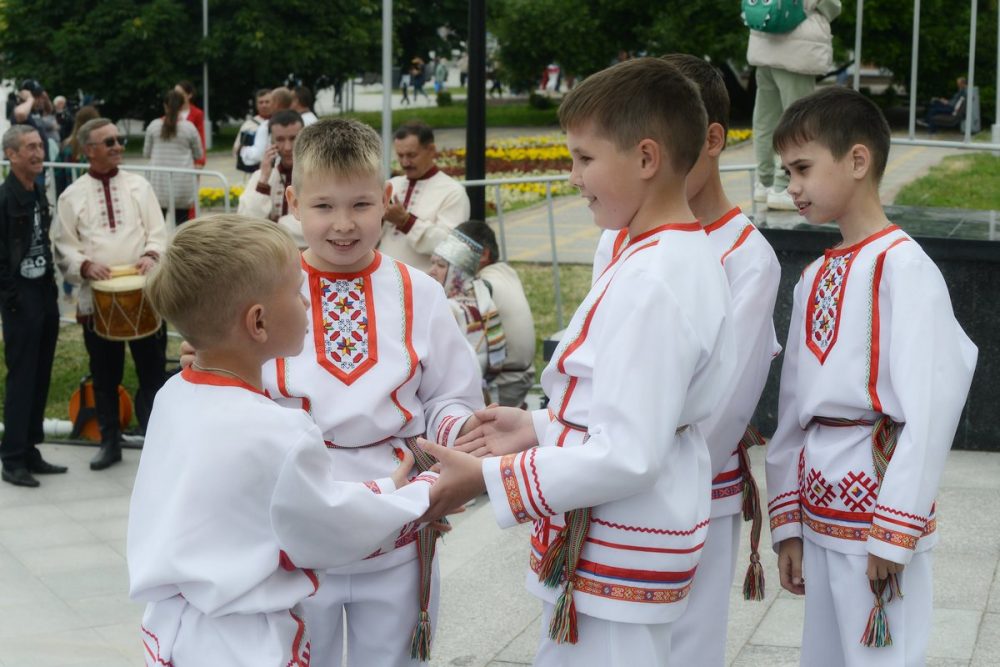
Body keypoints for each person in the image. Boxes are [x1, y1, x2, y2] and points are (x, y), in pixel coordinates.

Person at [423, 57, 736, 666]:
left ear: (646, 159)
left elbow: (629, 451)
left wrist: (489, 479)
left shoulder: (656, 278)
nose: (572, 177)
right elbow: (628, 405)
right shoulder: (658, 254)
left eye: (585, 159)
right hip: (617, 535)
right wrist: (536, 427)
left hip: (622, 537)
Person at [128, 214, 442, 666]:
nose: (309, 303)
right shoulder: (279, 430)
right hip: (246, 644)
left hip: (174, 634)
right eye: (297, 292)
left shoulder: (173, 395)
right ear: (258, 323)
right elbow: (326, 528)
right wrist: (414, 493)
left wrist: (386, 489)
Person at [254, 118, 483, 666]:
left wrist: (453, 446)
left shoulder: (420, 293)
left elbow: (453, 394)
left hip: (398, 527)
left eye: (360, 205)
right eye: (323, 206)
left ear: (385, 200)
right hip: (298, 529)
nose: (342, 225)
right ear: (293, 201)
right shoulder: (264, 294)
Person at [765, 87, 977, 665]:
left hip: (878, 494)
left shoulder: (906, 267)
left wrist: (896, 525)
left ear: (858, 161)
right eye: (787, 172)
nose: (793, 187)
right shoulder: (813, 276)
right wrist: (786, 522)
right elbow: (791, 411)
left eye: (803, 168)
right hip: (820, 498)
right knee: (825, 653)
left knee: (881, 656)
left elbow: (933, 405)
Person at [590, 53, 782, 667]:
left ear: (711, 138)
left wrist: (640, 462)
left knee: (686, 647)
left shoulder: (748, 256)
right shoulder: (616, 234)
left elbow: (724, 411)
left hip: (688, 486)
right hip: (604, 472)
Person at [53, 118, 168, 471]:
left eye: (118, 140)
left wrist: (151, 254)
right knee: (105, 375)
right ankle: (109, 442)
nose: (119, 145)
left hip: (143, 294)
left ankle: (158, 441)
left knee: (152, 374)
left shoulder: (139, 186)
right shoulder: (72, 196)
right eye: (110, 141)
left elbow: (158, 231)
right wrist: (85, 266)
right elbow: (63, 245)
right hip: (98, 301)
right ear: (89, 150)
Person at [0, 126, 67, 488]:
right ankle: (11, 458)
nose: (39, 153)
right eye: (30, 147)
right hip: (20, 299)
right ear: (11, 155)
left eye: (40, 145)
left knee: (41, 375)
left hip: (43, 294)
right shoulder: (4, 199)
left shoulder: (38, 191)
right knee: (22, 378)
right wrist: (11, 300)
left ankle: (29, 449)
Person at [747, 0, 841, 211]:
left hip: (764, 48)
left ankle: (765, 181)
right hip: (796, 52)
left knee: (765, 120)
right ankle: (784, 186)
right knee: (799, 124)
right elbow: (832, 6)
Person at [452, 220, 536, 408]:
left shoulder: (482, 285)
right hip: (521, 377)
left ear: (483, 255)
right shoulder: (506, 272)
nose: (452, 260)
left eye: (457, 251)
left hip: (504, 384)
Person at [381, 121, 471, 273]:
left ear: (431, 150)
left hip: (422, 285)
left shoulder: (453, 192)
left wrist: (406, 222)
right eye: (400, 155)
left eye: (411, 155)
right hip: (382, 277)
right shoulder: (391, 185)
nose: (405, 162)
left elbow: (451, 248)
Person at [427, 227, 507, 387]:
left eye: (441, 266)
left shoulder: (453, 308)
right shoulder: (482, 294)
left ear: (458, 273)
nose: (431, 272)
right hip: (484, 385)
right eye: (433, 264)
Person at [237, 109, 306, 247]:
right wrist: (263, 178)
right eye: (280, 139)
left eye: (293, 138)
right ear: (271, 141)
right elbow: (245, 223)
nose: (287, 147)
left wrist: (272, 227)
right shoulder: (262, 175)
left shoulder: (319, 176)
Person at [143, 89, 204, 226]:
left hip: (159, 184)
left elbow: (146, 153)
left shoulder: (153, 126)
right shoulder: (189, 128)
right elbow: (199, 154)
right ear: (182, 106)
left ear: (164, 105)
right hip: (183, 184)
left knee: (156, 226)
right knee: (181, 227)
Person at [240, 86, 294, 168]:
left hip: (274, 172)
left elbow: (258, 155)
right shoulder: (299, 121)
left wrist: (244, 151)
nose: (268, 105)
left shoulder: (267, 126)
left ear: (277, 103)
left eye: (270, 101)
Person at [233, 88, 272, 175]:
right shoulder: (248, 125)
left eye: (267, 102)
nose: (264, 105)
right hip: (254, 170)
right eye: (261, 102)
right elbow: (237, 149)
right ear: (256, 105)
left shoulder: (280, 122)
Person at [174, 80, 206, 168]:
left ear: (189, 95)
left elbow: (201, 138)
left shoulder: (197, 113)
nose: (177, 96)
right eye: (175, 93)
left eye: (180, 93)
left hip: (191, 160)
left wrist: (200, 161)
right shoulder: (171, 113)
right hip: (173, 158)